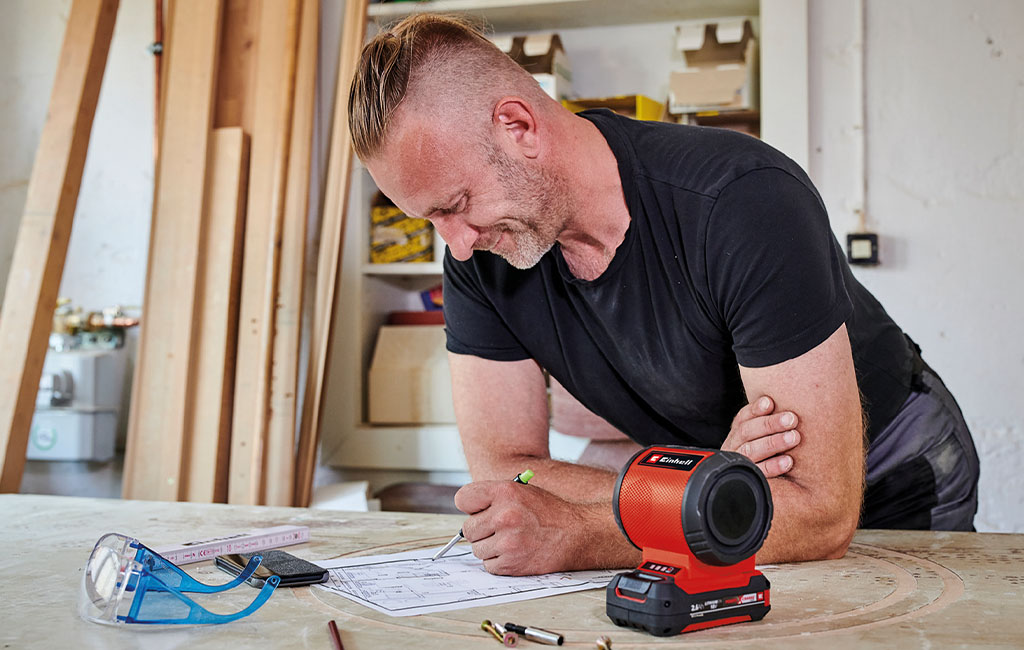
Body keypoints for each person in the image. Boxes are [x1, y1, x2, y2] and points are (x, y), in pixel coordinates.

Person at [347, 14, 980, 575]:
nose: (453, 244)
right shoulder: (477, 254)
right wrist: (702, 486)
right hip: (720, 477)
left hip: (891, 471)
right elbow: (509, 469)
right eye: (430, 218)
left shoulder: (743, 199)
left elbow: (817, 513)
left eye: (456, 205)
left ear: (517, 126)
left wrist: (588, 532)